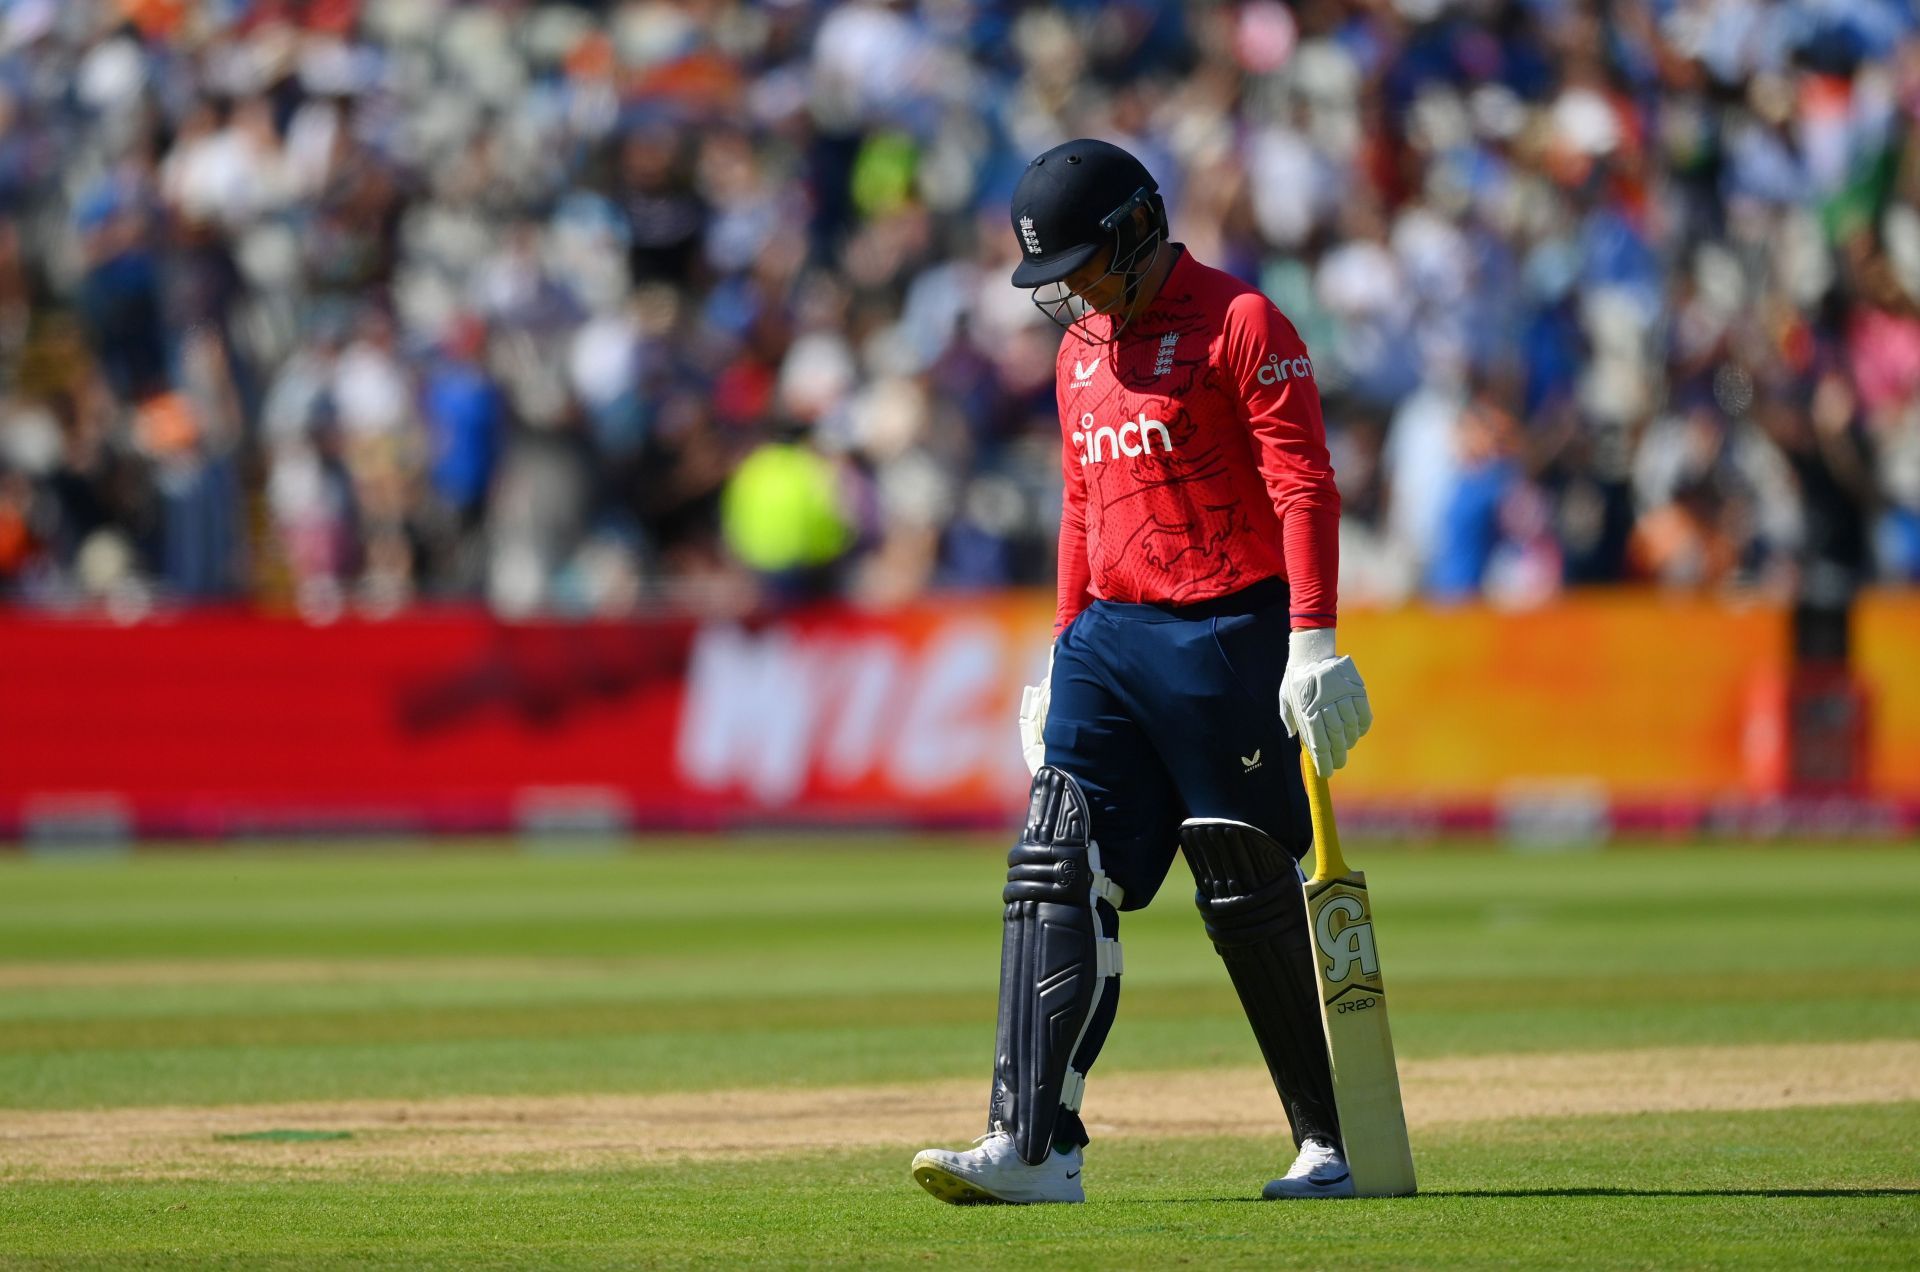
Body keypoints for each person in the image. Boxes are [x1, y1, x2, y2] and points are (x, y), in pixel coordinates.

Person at [910, 139, 1373, 1204]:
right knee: (1053, 865)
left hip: (1228, 632)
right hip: (1107, 642)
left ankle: (1325, 1141)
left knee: (1242, 882)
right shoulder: (1080, 356)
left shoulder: (1242, 322)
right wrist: (1060, 650)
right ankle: (1032, 1146)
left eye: (1082, 261)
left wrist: (1312, 638)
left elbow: (1303, 483)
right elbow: (1082, 508)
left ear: (1135, 228)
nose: (1069, 289)